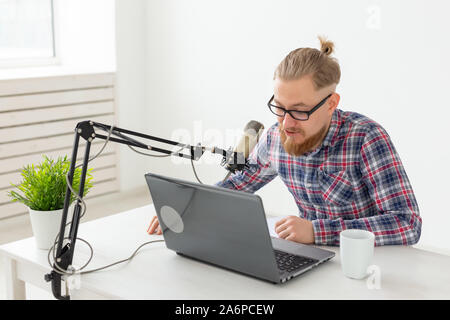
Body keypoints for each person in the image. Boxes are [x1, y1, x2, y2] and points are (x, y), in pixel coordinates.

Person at [148, 36, 422, 247]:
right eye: (279, 107)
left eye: (300, 111)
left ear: (331, 103)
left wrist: (317, 231)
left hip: (369, 265)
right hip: (313, 257)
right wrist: (187, 210)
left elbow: (407, 224)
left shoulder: (366, 139)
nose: (286, 123)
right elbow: (236, 185)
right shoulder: (275, 139)